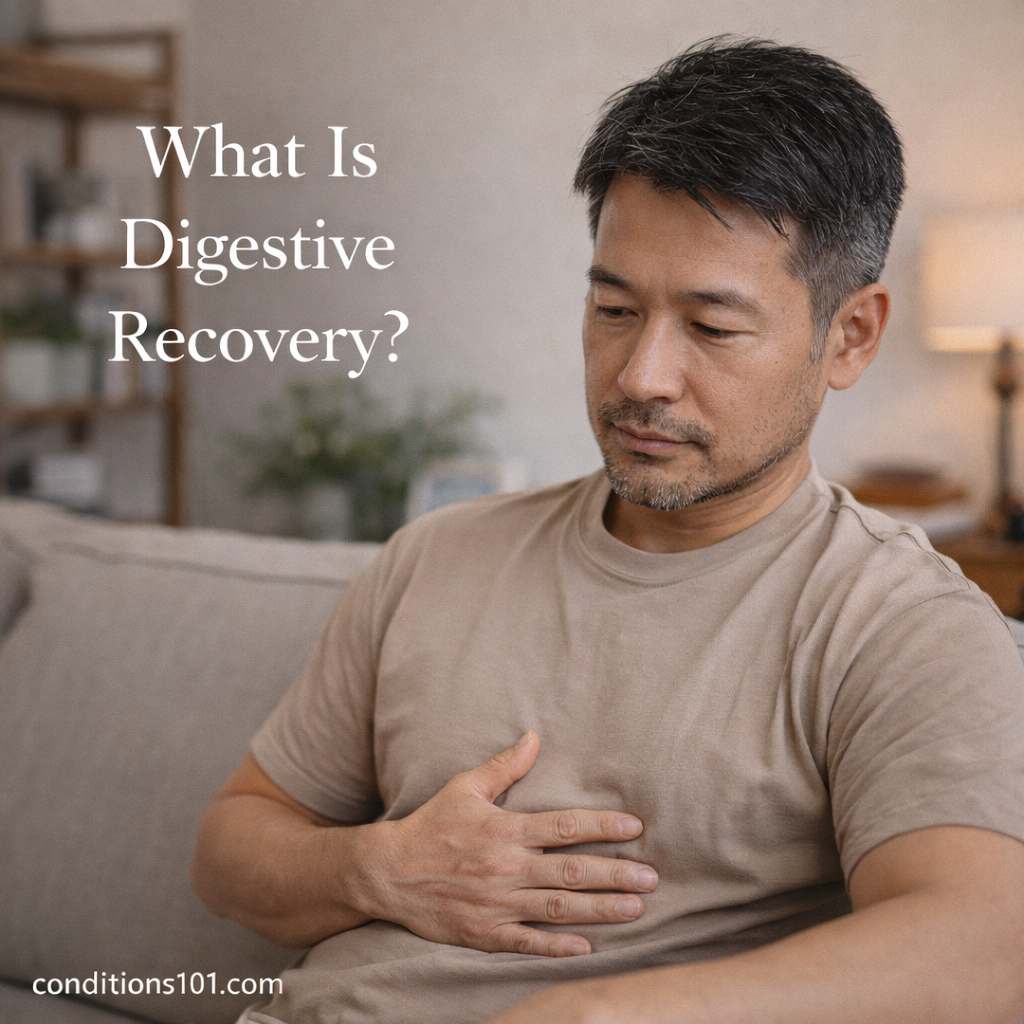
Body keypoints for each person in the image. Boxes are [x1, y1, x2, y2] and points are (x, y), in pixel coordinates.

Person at [192, 38, 1024, 1024]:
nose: (640, 376)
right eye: (614, 308)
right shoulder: (436, 556)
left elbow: (981, 952)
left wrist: (593, 1015)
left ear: (849, 336)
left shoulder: (897, 624)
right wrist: (375, 866)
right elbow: (230, 848)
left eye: (711, 328)